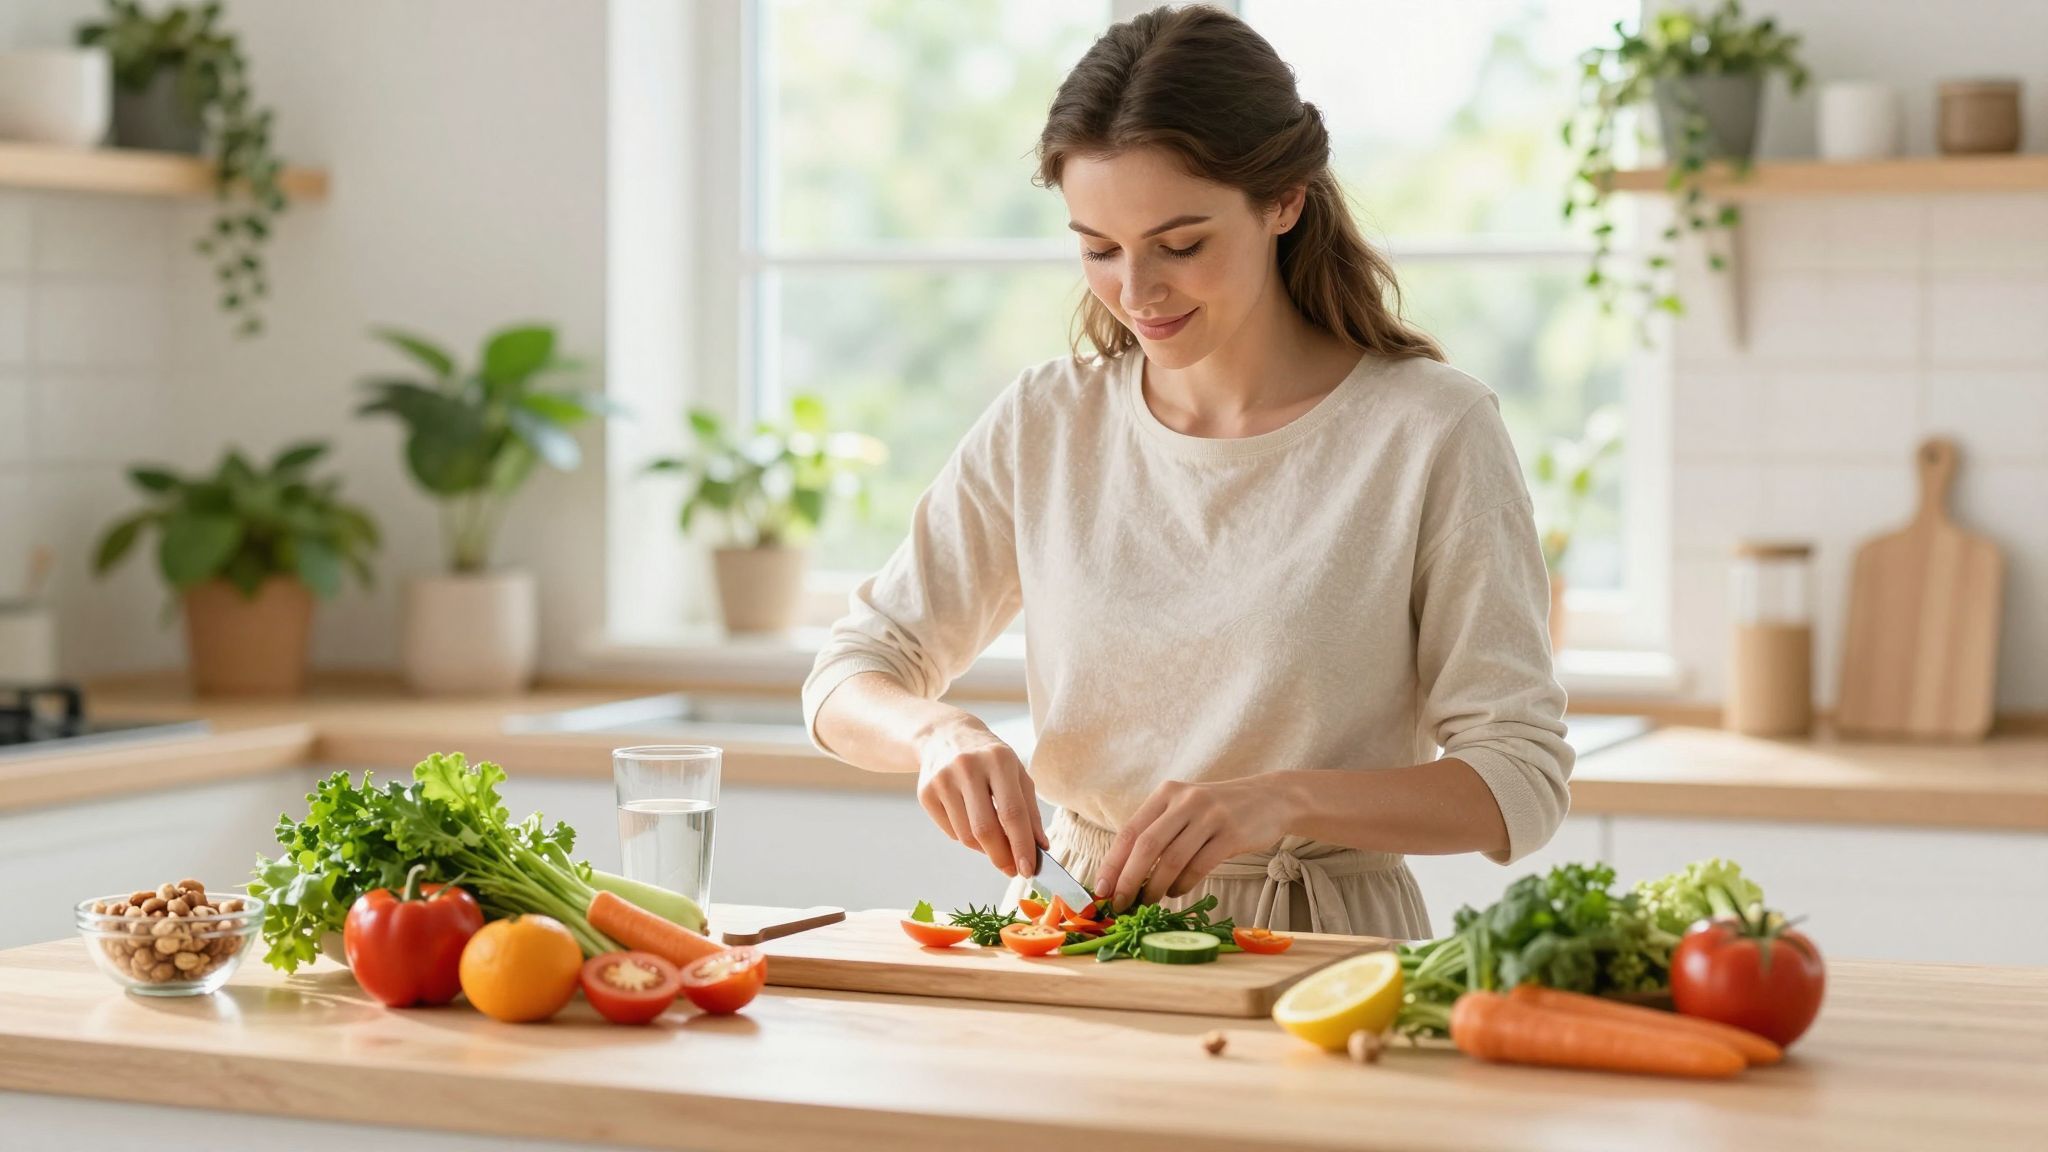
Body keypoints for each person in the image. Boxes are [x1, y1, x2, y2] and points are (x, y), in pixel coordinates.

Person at [800, 4, 1571, 939]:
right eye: (1099, 250)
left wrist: (1281, 801)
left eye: (1181, 244)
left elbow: (1518, 778)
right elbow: (849, 674)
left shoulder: (1430, 432)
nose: (1137, 292)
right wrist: (936, 734)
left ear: (1284, 199)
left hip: (1314, 951)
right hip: (1071, 935)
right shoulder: (1048, 423)